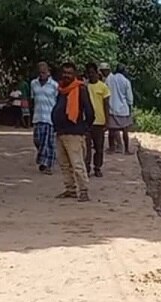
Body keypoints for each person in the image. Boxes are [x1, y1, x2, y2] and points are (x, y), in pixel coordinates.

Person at [51, 61, 95, 202]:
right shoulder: (62, 89)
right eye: (64, 72)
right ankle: (70, 189)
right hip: (61, 132)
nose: (66, 75)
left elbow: (90, 112)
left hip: (75, 132)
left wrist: (84, 128)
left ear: (75, 74)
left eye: (69, 73)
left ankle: (83, 190)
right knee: (64, 163)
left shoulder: (80, 89)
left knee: (77, 164)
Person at [29, 62, 59, 174]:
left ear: (48, 72)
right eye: (40, 72)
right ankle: (43, 159)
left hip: (49, 118)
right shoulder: (34, 83)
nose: (42, 74)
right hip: (38, 117)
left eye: (44, 72)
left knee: (48, 142)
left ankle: (47, 165)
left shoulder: (54, 85)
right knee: (38, 141)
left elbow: (58, 101)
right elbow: (32, 99)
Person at [83, 62, 111, 178]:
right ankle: (87, 168)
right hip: (87, 122)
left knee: (99, 147)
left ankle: (97, 167)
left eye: (93, 73)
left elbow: (106, 105)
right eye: (89, 73)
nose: (91, 75)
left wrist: (107, 121)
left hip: (99, 121)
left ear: (97, 73)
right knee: (87, 148)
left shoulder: (103, 87)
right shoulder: (84, 87)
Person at [106, 64, 134, 154]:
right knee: (125, 131)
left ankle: (111, 148)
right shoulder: (126, 81)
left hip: (112, 107)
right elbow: (129, 97)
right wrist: (130, 106)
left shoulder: (110, 79)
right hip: (123, 109)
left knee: (111, 130)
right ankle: (126, 149)